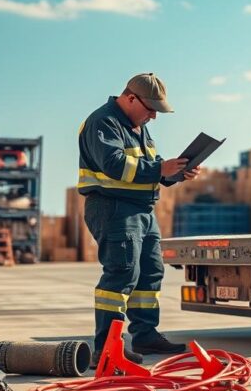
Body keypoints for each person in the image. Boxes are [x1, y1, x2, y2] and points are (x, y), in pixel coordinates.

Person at [77, 72, 201, 368]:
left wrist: (174, 174)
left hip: (142, 209)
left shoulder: (138, 126)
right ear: (130, 98)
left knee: (149, 274)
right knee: (121, 274)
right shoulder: (103, 121)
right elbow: (115, 165)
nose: (153, 116)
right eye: (150, 109)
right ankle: (106, 348)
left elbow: (145, 172)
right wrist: (161, 168)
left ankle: (144, 334)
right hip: (114, 208)